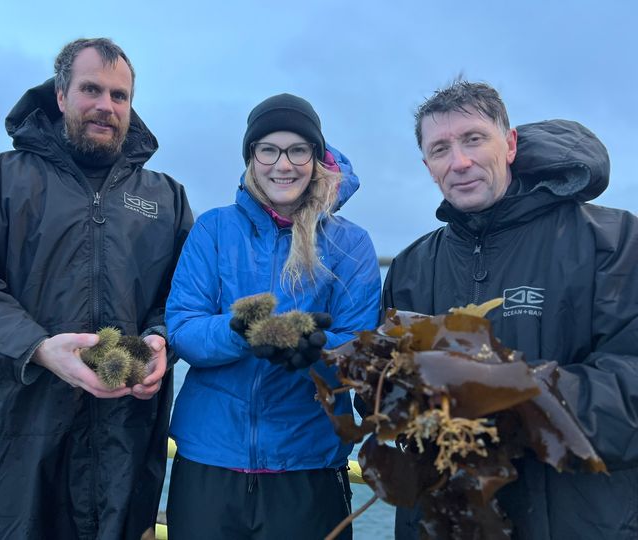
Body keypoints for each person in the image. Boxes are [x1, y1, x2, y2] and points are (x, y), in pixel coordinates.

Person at [0, 38, 193, 539]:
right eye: (91, 89)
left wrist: (162, 340)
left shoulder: (166, 197)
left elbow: (188, 296)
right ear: (61, 95)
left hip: (126, 443)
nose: (105, 106)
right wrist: (37, 348)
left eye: (119, 95)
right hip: (22, 435)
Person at [383, 80, 638, 539]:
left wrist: (514, 392)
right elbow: (384, 398)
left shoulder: (614, 242)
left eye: (474, 139)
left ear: (511, 143)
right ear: (427, 166)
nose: (459, 162)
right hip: (449, 519)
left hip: (578, 521)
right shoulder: (411, 268)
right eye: (440, 148)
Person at [164, 93, 381, 539]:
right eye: (269, 149)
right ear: (252, 157)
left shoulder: (350, 243)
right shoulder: (214, 229)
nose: (283, 164)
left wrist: (312, 350)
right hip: (209, 460)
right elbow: (183, 325)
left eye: (298, 150)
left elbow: (360, 343)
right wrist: (239, 330)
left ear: (316, 158)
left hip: (308, 462)